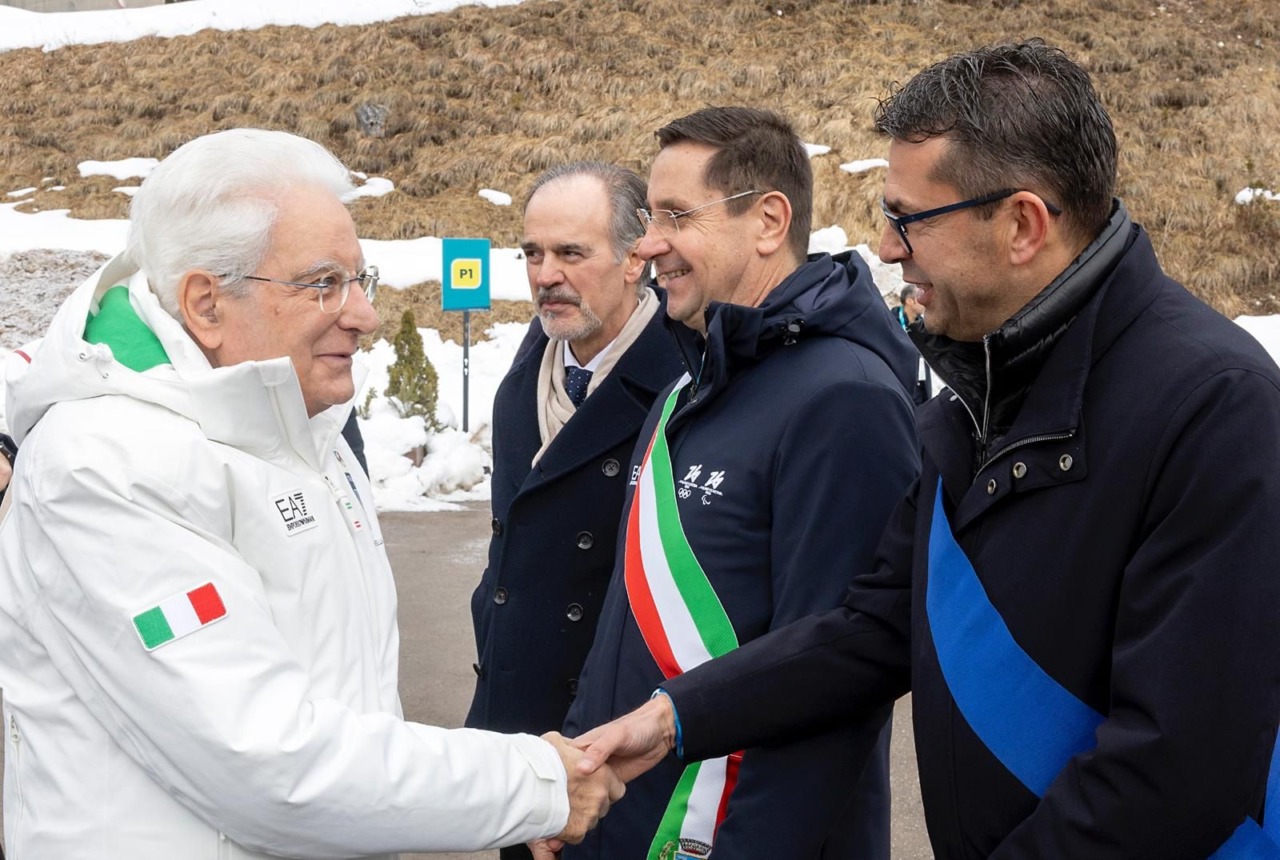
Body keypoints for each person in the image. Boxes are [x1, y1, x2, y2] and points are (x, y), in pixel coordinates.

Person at [572, 41, 1280, 859]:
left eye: (908, 219)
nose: (884, 246)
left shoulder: (1217, 408)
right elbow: (873, 630)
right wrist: (677, 717)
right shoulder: (975, 400)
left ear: (1022, 225)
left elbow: (1177, 767)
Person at [0, 128, 622, 859]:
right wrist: (535, 784)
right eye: (324, 282)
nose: (364, 315)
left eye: (361, 279)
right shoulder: (103, 464)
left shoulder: (302, 426)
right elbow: (265, 764)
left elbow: (348, 706)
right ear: (205, 303)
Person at [554, 107, 920, 860]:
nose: (648, 244)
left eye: (677, 216)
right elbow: (626, 630)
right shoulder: (684, 392)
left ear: (768, 222)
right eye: (649, 218)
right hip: (624, 828)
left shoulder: (845, 399)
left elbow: (835, 685)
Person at [465, 162, 689, 860]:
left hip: (613, 748)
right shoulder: (529, 368)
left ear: (634, 259)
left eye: (571, 253)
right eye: (532, 253)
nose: (546, 275)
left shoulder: (688, 380)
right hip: (519, 728)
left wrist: (594, 756)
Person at [894, 284, 933, 403]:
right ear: (910, 301)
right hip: (900, 385)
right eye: (920, 296)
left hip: (920, 384)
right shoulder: (892, 322)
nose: (924, 300)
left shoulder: (923, 325)